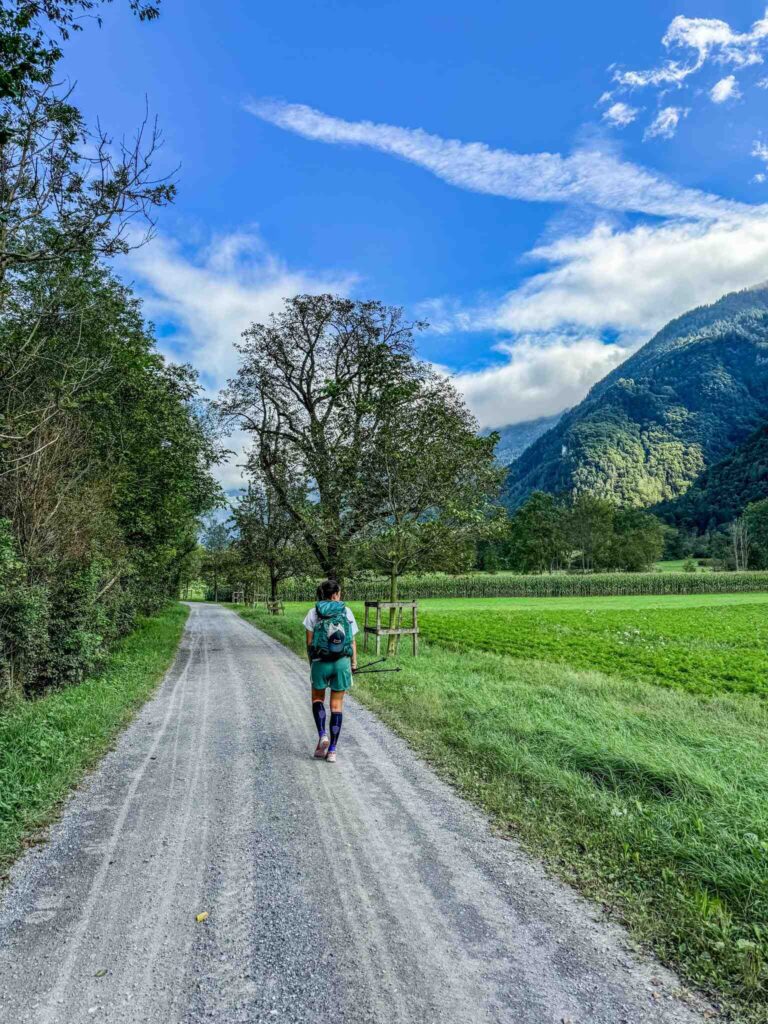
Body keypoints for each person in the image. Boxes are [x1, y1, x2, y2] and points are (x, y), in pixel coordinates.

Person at [303, 579, 358, 763]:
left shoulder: (313, 612)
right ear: (335, 594)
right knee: (336, 706)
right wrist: (353, 664)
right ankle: (333, 750)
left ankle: (322, 735)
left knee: (317, 699)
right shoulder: (346, 611)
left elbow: (310, 643)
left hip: (320, 662)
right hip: (341, 663)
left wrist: (313, 663)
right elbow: (351, 641)